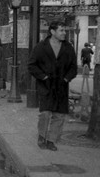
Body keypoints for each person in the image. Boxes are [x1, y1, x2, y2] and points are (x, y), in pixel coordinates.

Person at [28, 21, 77, 151]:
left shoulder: (68, 47)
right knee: (45, 113)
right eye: (61, 30)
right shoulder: (41, 47)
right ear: (52, 32)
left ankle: (51, 140)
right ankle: (42, 136)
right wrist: (43, 77)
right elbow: (31, 65)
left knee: (59, 115)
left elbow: (73, 67)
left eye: (64, 30)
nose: (64, 33)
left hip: (61, 86)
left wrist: (66, 79)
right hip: (46, 85)